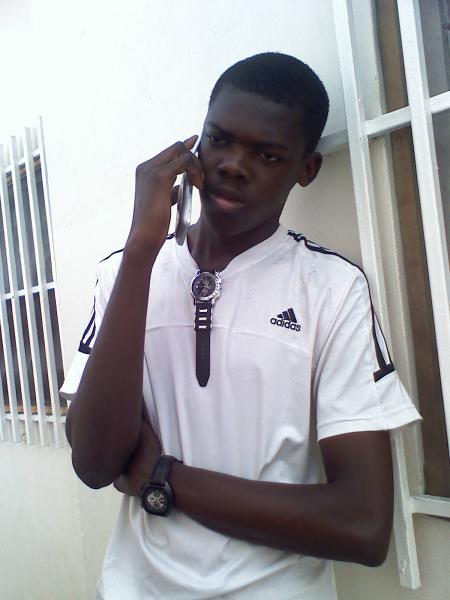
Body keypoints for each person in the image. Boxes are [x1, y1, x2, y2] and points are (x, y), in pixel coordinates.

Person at [61, 52, 421, 599]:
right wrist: (141, 250)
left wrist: (165, 478)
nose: (232, 164)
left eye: (267, 154)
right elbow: (93, 463)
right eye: (219, 140)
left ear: (306, 170)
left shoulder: (331, 288)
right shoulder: (125, 272)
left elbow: (362, 525)